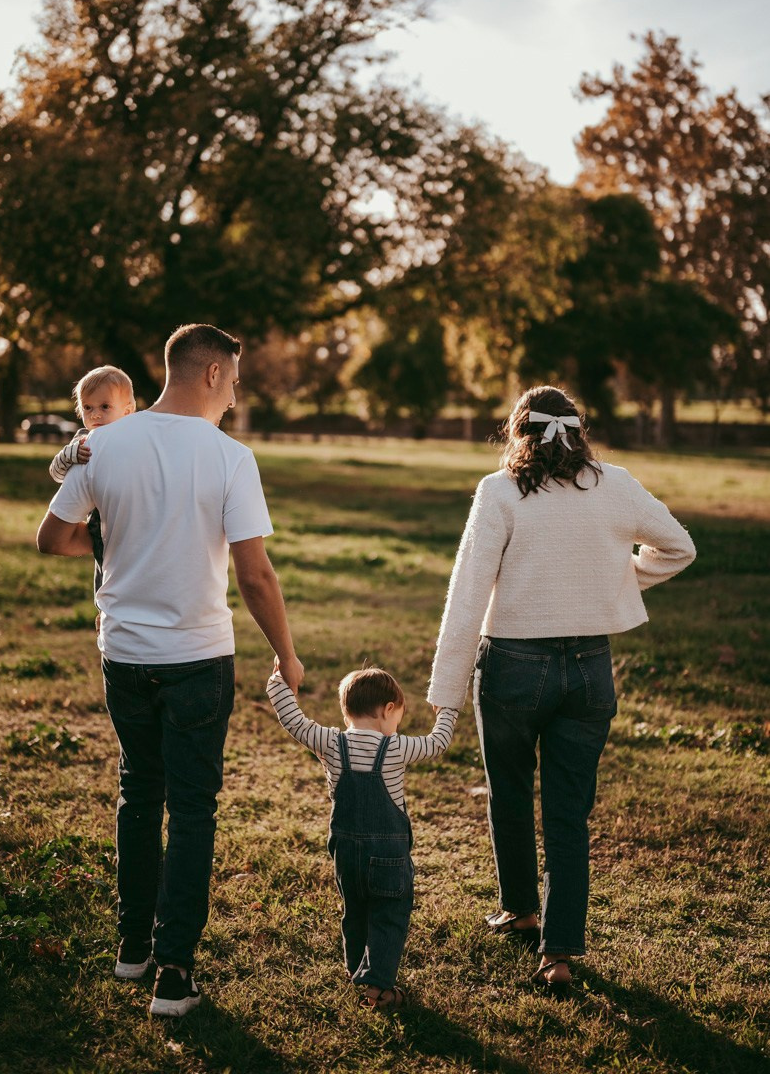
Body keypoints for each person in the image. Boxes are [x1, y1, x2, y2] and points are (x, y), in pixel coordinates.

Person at [37, 323, 304, 1018]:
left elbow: (53, 538)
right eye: (236, 380)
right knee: (191, 811)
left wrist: (118, 540)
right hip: (196, 660)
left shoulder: (104, 444)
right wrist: (287, 652)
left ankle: (132, 950)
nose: (236, 393)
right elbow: (255, 573)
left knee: (138, 792)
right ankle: (175, 974)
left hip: (123, 655)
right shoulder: (229, 457)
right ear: (212, 373)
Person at [427, 385, 696, 995]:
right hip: (589, 669)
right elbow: (680, 546)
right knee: (570, 813)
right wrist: (613, 583)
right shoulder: (616, 483)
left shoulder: (499, 492)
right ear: (578, 431)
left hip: (513, 668)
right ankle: (560, 955)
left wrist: (445, 693)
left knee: (511, 791)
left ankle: (521, 909)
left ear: (518, 432)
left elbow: (469, 592)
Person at [267, 661, 457, 1010]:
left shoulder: (330, 743)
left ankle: (357, 971)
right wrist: (446, 707)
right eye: (397, 717)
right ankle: (378, 987)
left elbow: (293, 721)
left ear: (347, 711)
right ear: (388, 710)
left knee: (354, 911)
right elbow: (439, 742)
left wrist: (281, 679)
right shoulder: (397, 747)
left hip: (346, 852)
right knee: (388, 913)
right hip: (388, 853)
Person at [49, 365, 136, 594]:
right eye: (88, 408)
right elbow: (56, 474)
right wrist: (68, 457)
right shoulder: (84, 441)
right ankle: (102, 606)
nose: (95, 414)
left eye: (105, 407)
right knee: (103, 568)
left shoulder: (135, 440)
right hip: (97, 522)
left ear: (127, 412)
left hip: (128, 517)